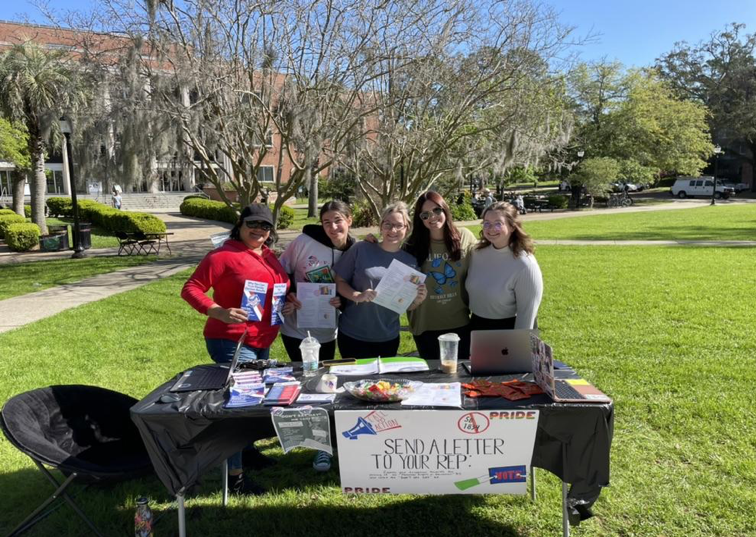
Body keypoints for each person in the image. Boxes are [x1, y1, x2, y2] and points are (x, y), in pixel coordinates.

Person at [181, 203, 289, 495]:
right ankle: (235, 477)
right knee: (240, 406)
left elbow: (275, 289)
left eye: (265, 226)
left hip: (260, 341)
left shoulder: (267, 255)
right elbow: (191, 288)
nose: (259, 230)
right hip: (231, 341)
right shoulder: (222, 256)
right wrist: (218, 311)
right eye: (253, 224)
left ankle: (247, 454)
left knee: (252, 405)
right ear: (240, 224)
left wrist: (287, 302)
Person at [277, 200, 356, 473]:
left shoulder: (355, 250)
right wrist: (289, 294)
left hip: (328, 331)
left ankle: (328, 442)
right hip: (295, 328)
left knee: (325, 387)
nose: (333, 227)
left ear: (349, 220)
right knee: (306, 385)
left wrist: (342, 303)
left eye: (338, 220)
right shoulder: (303, 242)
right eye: (326, 222)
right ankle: (319, 447)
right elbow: (280, 271)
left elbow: (356, 286)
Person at [333, 202, 427, 359]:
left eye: (399, 225)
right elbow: (339, 281)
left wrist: (418, 300)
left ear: (407, 228)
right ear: (381, 226)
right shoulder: (361, 248)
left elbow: (407, 305)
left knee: (383, 384)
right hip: (352, 334)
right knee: (353, 383)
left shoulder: (411, 263)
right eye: (388, 224)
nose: (392, 230)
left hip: (387, 337)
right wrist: (357, 295)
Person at [403, 191, 477, 360]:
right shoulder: (411, 245)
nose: (432, 217)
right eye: (425, 214)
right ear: (420, 219)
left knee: (460, 378)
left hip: (460, 323)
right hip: (425, 326)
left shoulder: (464, 237)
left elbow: (489, 255)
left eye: (437, 210)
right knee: (432, 382)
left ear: (445, 210)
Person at [466, 201, 542, 331]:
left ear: (512, 227)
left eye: (498, 224)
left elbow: (527, 314)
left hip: (508, 330)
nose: (490, 228)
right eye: (486, 223)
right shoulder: (476, 253)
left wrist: (519, 346)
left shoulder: (525, 264)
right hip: (475, 326)